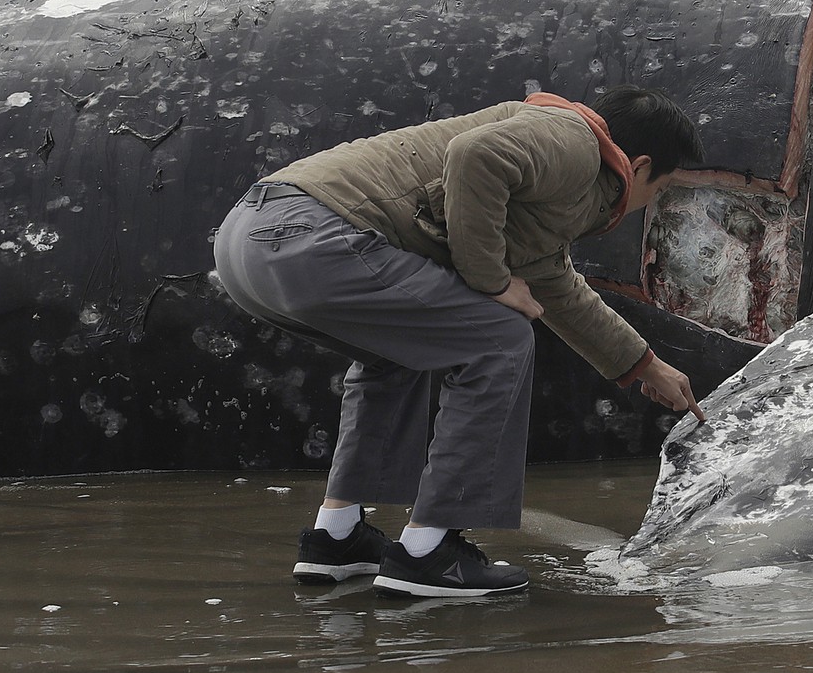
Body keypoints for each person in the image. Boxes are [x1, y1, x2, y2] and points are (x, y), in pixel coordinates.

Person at [212, 86, 703, 598]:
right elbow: (476, 156)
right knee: (501, 337)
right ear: (640, 165)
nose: (655, 202)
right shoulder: (573, 139)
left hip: (251, 242)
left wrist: (648, 366)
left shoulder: (555, 191)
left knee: (398, 356)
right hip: (310, 237)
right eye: (663, 188)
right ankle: (429, 553)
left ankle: (337, 540)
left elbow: (558, 288)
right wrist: (489, 280)